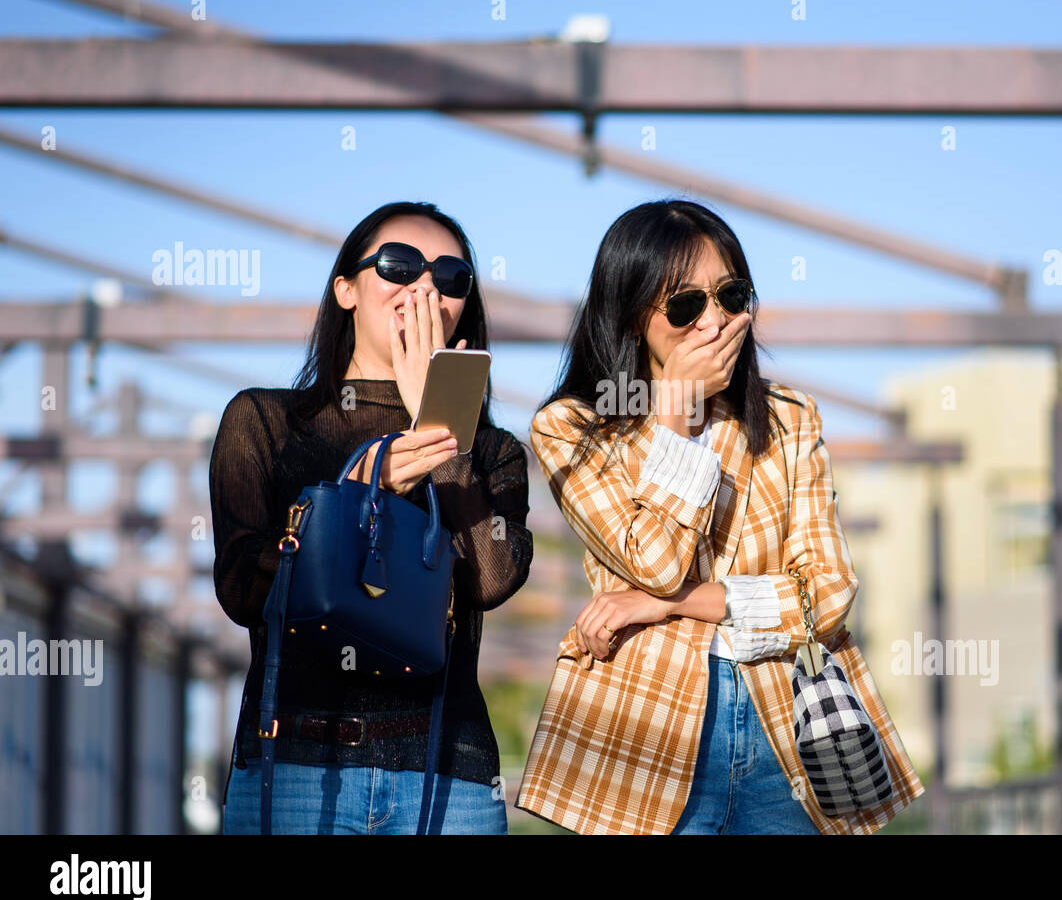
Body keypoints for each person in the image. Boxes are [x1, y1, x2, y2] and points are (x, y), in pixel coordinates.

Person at [515, 198, 924, 834]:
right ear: (630, 315)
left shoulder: (790, 417)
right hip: (642, 734)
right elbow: (654, 557)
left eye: (731, 296)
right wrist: (676, 410)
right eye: (684, 305)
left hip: (786, 725)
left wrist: (666, 605)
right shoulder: (573, 428)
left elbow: (828, 596)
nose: (713, 321)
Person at [211, 201, 532, 834]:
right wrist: (358, 489)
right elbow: (244, 587)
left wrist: (441, 423)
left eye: (449, 277)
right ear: (346, 290)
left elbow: (490, 580)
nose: (423, 289)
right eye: (399, 265)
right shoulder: (265, 423)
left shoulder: (491, 451)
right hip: (299, 765)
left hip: (446, 776)